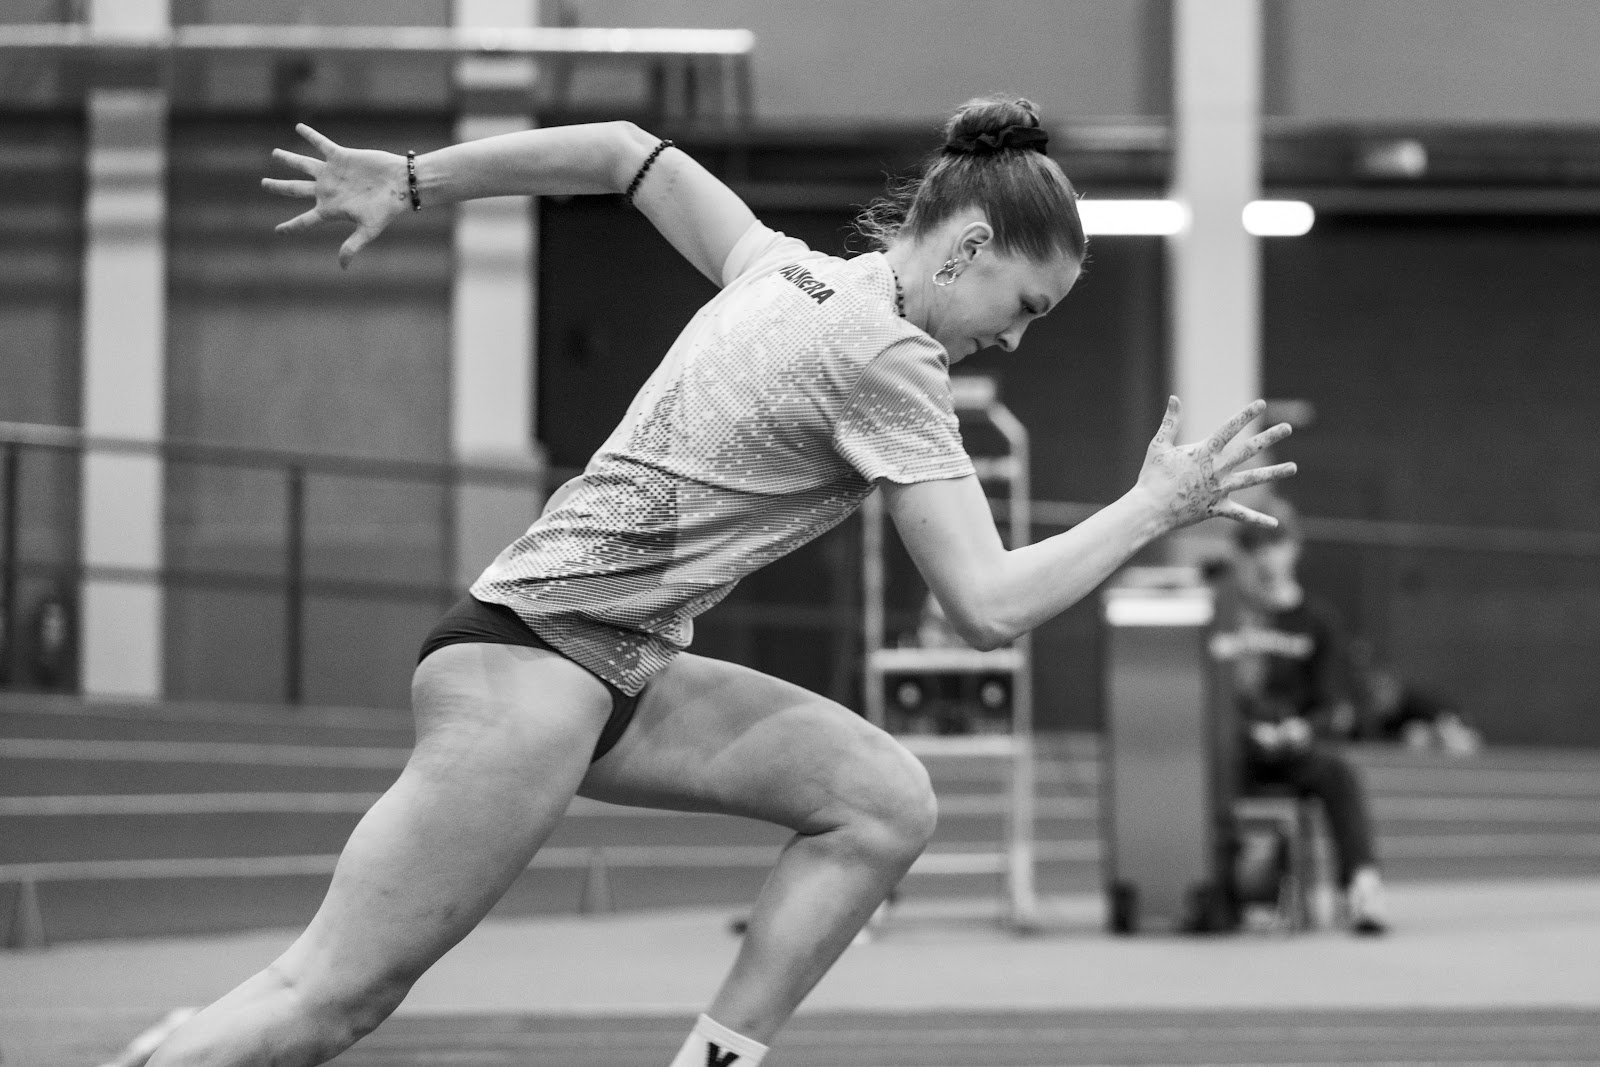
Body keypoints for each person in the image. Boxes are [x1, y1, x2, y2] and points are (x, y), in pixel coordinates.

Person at [140, 96, 1295, 1066]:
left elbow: (622, 152)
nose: (1016, 339)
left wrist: (413, 178)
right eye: (1024, 306)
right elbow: (987, 606)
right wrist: (1155, 506)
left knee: (882, 799)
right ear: (970, 246)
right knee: (328, 996)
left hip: (609, 666)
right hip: (534, 665)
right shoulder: (887, 355)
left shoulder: (780, 267)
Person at [1210, 494, 1389, 934]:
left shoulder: (1318, 621)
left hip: (1295, 750)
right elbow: (1212, 698)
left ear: (1294, 548)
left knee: (1339, 775)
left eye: (1274, 544)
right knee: (1201, 769)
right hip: (1238, 752)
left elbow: (1333, 703)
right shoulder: (1223, 617)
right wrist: (1246, 731)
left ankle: (1361, 889)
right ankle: (1213, 893)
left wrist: (1301, 730)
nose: (1265, 557)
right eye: (1253, 547)